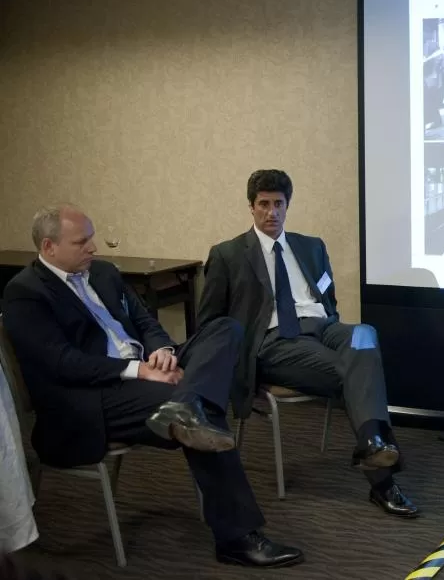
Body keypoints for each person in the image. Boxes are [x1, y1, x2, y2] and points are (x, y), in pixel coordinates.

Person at [1, 205, 302, 567]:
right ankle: (236, 537)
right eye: (82, 242)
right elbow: (64, 363)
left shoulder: (104, 273)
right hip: (91, 397)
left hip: (146, 369)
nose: (93, 248)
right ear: (49, 247)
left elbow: (145, 321)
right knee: (198, 408)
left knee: (226, 328)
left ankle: (187, 402)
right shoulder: (25, 293)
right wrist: (138, 370)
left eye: (92, 238)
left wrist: (161, 350)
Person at [198, 169, 419, 518]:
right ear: (251, 208)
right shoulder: (227, 255)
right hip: (274, 340)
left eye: (279, 204)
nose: (272, 212)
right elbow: (209, 321)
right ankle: (382, 476)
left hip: (323, 326)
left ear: (288, 205)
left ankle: (372, 444)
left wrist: (333, 328)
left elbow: (328, 297)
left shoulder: (311, 246)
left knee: (365, 334)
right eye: (264, 204)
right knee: (356, 372)